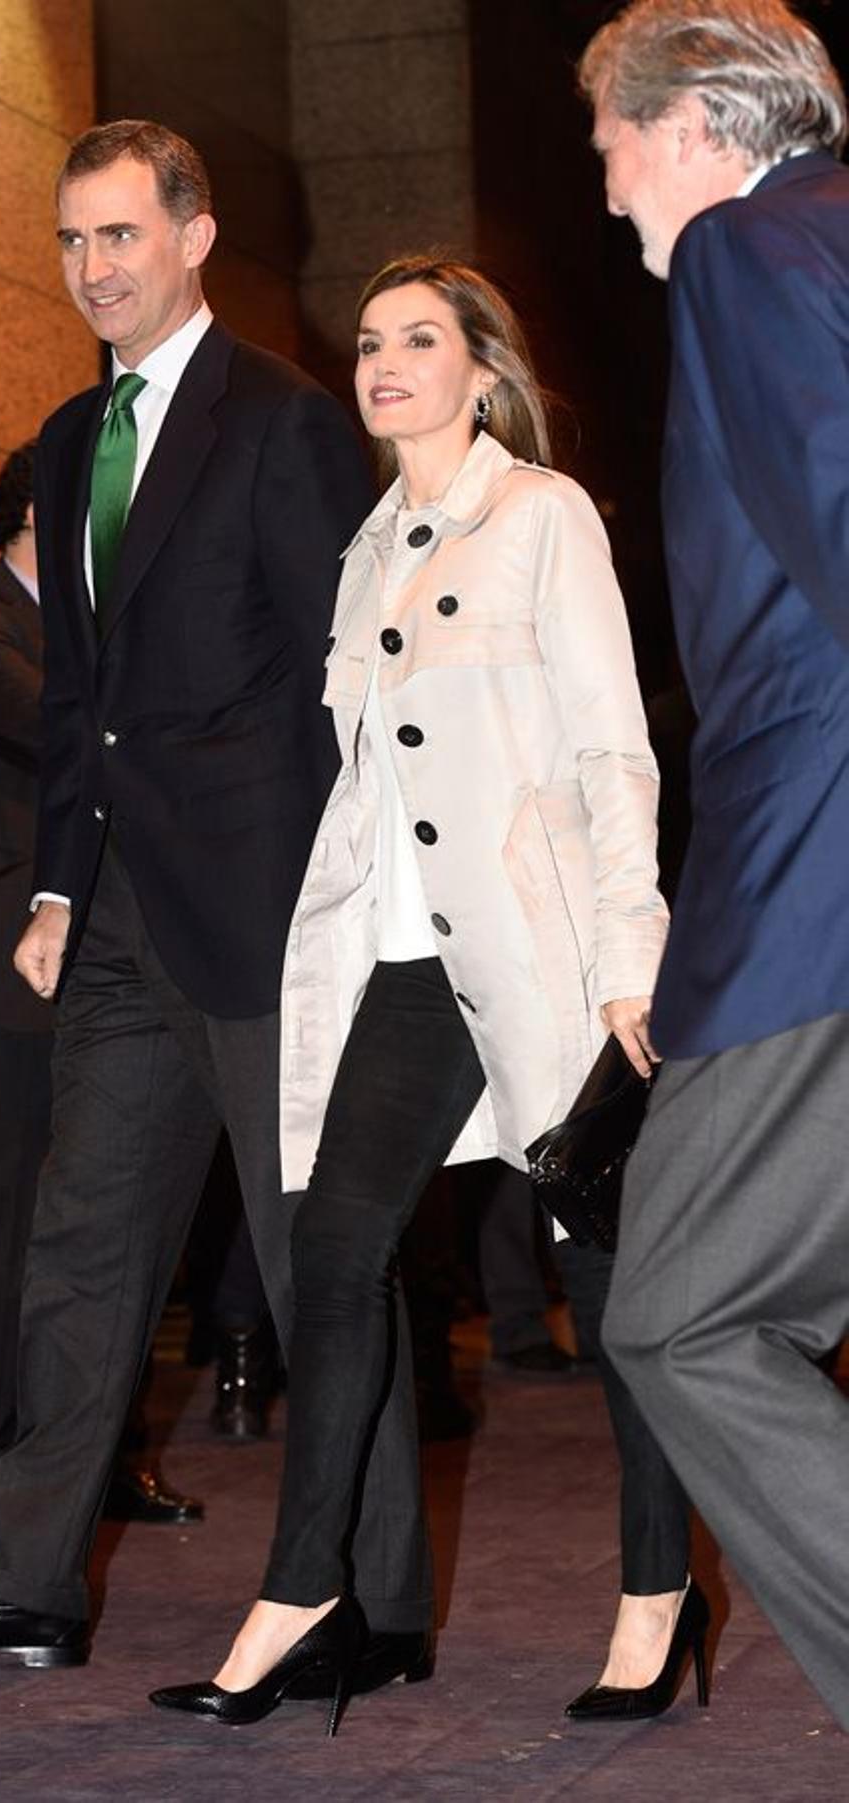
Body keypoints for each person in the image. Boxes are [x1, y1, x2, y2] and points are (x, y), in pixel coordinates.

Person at [0, 118, 430, 1679]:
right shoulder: (65, 438)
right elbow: (76, 705)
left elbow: (350, 679)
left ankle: (366, 1604)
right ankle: (28, 1585)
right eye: (70, 240)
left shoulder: (286, 421)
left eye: (120, 234)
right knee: (80, 1252)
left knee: (320, 1262)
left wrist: (349, 901)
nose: (93, 267)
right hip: (111, 918)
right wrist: (56, 884)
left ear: (192, 234)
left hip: (263, 911)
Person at [150, 255, 688, 1734]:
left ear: (481, 366)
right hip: (401, 958)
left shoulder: (541, 516)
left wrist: (628, 957)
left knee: (608, 1282)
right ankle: (305, 1584)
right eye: (370, 343)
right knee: (334, 1251)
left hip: (540, 950)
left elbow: (609, 751)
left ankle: (656, 1591)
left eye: (418, 340)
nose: (384, 363)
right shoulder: (367, 545)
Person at [580, 0, 849, 1730]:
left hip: (819, 877)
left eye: (609, 140)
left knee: (677, 1305)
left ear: (692, 123)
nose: (606, 190)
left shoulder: (752, 249)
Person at [0, 441, 200, 1536]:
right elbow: (57, 731)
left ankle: (89, 1456)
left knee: (102, 1221)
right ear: (40, 510)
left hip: (112, 951)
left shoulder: (110, 626)